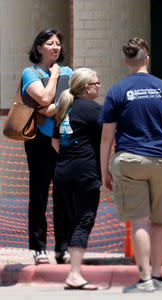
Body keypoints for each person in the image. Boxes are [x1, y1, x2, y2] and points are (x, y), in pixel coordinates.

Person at [100, 37, 162, 293]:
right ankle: (158, 276)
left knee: (139, 222)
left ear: (127, 61)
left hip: (130, 160)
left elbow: (107, 136)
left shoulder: (117, 90)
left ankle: (145, 279)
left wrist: (103, 169)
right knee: (160, 222)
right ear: (147, 59)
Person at [22, 28, 72, 265]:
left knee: (63, 194)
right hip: (39, 141)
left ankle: (63, 248)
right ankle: (38, 248)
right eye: (50, 43)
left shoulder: (70, 72)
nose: (55, 47)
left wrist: (51, 108)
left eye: (58, 44)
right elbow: (42, 98)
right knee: (39, 193)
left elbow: (71, 102)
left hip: (63, 137)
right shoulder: (29, 73)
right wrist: (54, 76)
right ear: (39, 47)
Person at [52, 68, 102, 290]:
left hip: (63, 172)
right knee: (84, 221)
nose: (99, 86)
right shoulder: (93, 109)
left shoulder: (65, 107)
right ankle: (74, 274)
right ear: (87, 87)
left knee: (73, 221)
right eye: (97, 83)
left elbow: (55, 143)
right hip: (85, 174)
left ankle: (73, 266)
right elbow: (108, 138)